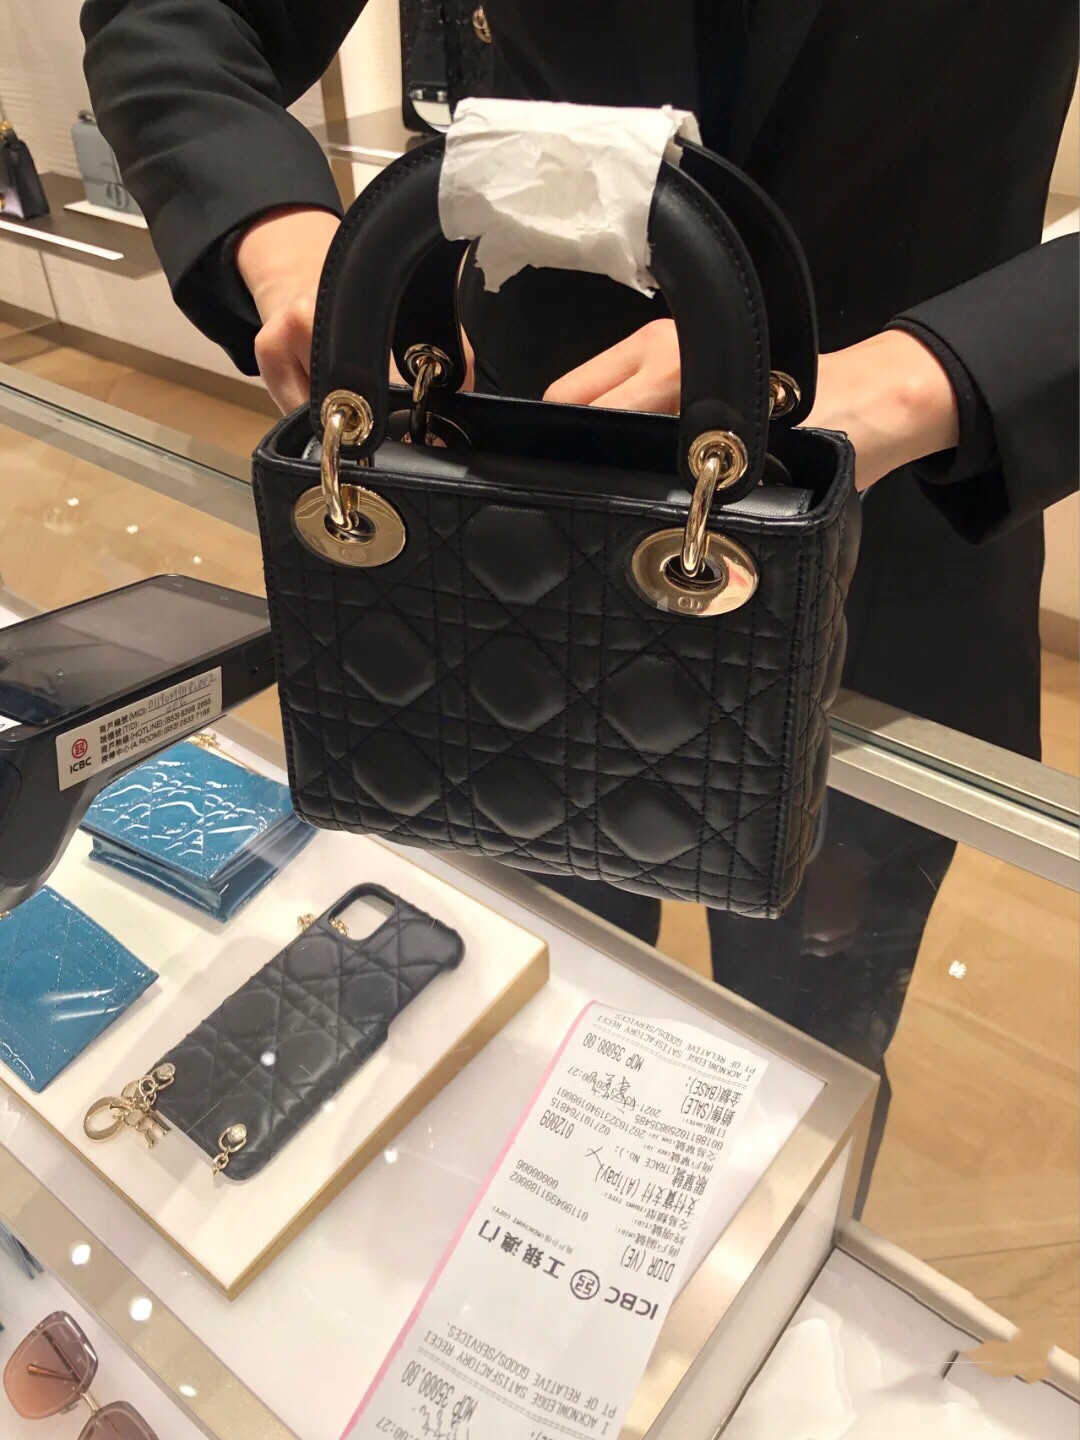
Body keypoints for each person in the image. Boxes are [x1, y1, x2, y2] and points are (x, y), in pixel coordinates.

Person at [81, 1, 1078, 1199]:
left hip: (884, 548)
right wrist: (287, 240)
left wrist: (913, 379)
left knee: (810, 1062)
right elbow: (175, 15)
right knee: (531, 997)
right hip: (505, 538)